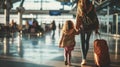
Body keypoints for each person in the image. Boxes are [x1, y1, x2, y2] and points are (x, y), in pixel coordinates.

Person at [76, 0, 99, 65]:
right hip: (90, 26)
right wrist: (96, 27)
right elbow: (95, 17)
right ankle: (84, 58)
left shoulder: (80, 5)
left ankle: (84, 59)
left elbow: (78, 16)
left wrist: (77, 27)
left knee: (82, 42)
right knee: (87, 41)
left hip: (82, 26)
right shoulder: (92, 5)